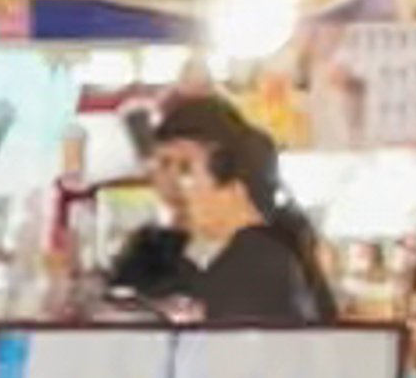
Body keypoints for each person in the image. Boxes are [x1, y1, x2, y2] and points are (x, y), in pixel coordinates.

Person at [126, 89, 335, 331]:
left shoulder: (253, 267)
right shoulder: (263, 256)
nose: (180, 188)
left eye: (187, 170)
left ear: (234, 188)